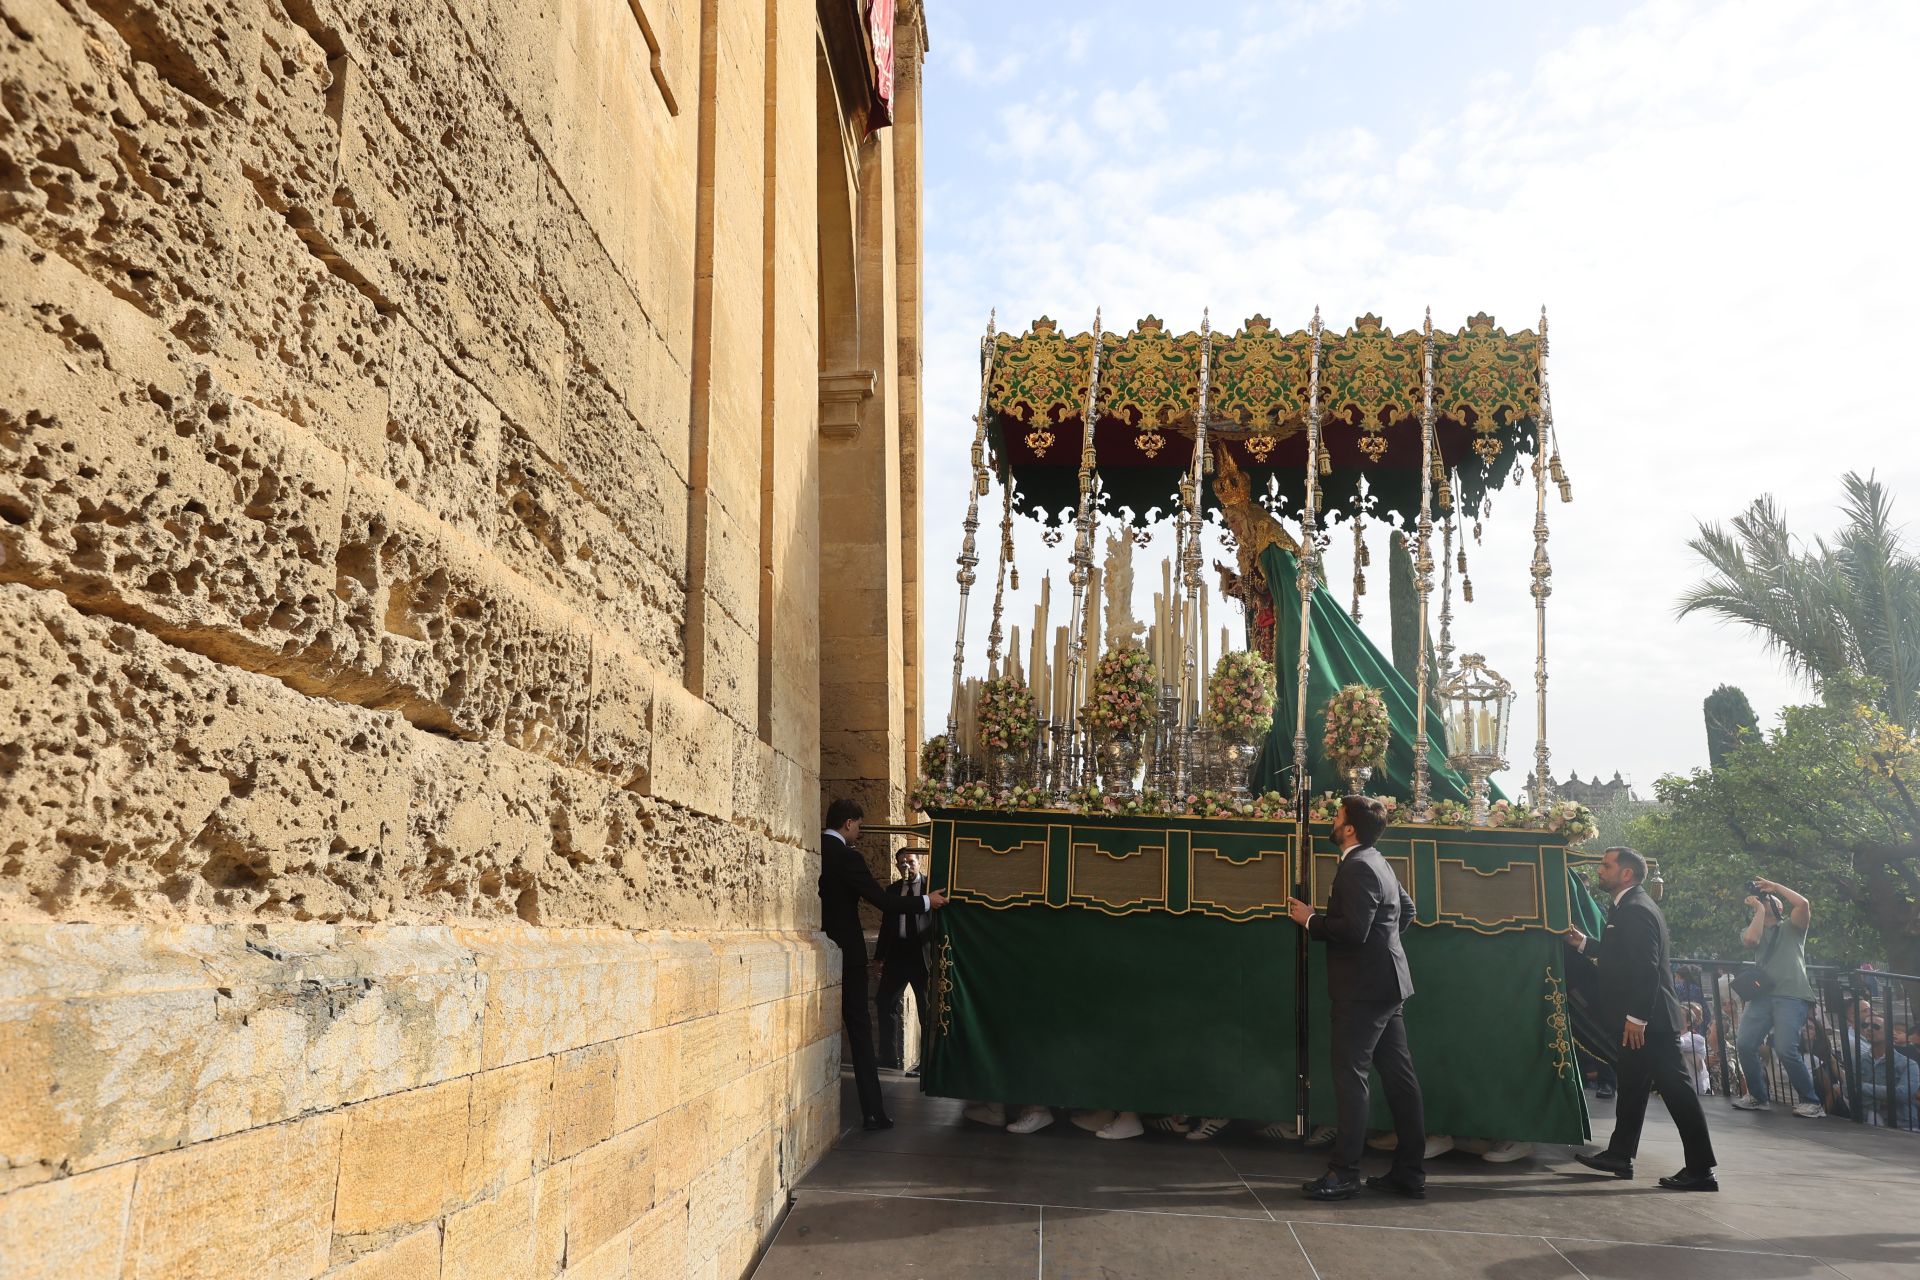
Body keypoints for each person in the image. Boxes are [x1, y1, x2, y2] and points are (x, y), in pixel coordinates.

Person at [1286, 795, 1427, 1201]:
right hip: (1388, 985)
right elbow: (1408, 910)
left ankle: (1343, 1172)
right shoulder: (1378, 861)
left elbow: (1354, 931)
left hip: (1363, 991)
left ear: (1349, 828)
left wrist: (1310, 919)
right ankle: (1410, 1172)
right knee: (1401, 1081)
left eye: (1336, 816)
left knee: (1352, 1079)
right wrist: (1386, 950)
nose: (1331, 821)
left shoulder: (1357, 867)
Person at [1565, 846, 1719, 1191]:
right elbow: (1620, 955)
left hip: (1650, 1022)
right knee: (1632, 1087)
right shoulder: (1628, 906)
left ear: (1626, 874)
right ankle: (1619, 1155)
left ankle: (1701, 1170)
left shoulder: (1635, 910)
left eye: (1606, 866)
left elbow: (1646, 969)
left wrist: (1637, 1019)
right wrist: (1583, 944)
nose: (1600, 871)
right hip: (1643, 1020)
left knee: (1677, 1092)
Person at [818, 798, 945, 1131]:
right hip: (848, 954)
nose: (860, 831)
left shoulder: (813, 848)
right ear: (848, 823)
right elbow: (885, 902)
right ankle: (873, 1111)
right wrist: (926, 901)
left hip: (820, 946)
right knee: (860, 1032)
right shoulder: (848, 856)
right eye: (859, 825)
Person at [1728, 877, 1825, 1117]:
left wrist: (1775, 887)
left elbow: (1803, 904)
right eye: (1761, 900)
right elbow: (1752, 940)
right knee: (1744, 1043)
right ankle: (1758, 1097)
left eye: (1769, 900)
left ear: (1780, 907)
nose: (1764, 901)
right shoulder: (1752, 929)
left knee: (1785, 1048)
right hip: (1763, 997)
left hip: (1791, 996)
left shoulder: (1792, 927)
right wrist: (1760, 909)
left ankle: (1811, 1102)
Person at [874, 848, 933, 1073]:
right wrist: (879, 958)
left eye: (910, 862)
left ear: (919, 862)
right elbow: (886, 926)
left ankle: (926, 1063)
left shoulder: (930, 887)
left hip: (922, 956)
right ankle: (889, 1057)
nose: (906, 867)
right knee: (885, 1002)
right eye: (902, 863)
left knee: (925, 1008)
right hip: (898, 954)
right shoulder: (893, 890)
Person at [1860, 1012, 1920, 1130]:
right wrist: (1881, 1102)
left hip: (1902, 1124)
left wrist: (1861, 1086)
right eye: (1865, 1025)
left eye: (1875, 1026)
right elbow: (1848, 1090)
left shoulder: (1908, 1064)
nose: (1869, 1029)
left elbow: (1902, 1094)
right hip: (1866, 1124)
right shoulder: (1858, 1061)